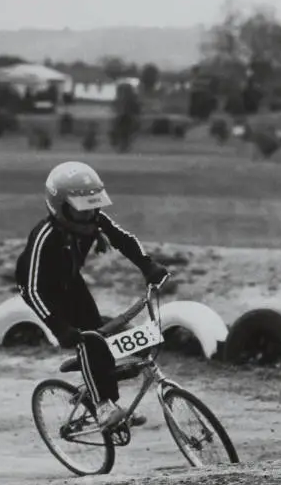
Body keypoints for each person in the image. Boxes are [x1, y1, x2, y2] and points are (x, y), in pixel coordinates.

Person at [15, 161, 168, 429]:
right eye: (81, 210)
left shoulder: (93, 219)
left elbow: (124, 239)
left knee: (98, 334)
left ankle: (108, 397)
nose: (90, 216)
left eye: (93, 207)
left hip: (70, 281)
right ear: (60, 207)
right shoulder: (44, 236)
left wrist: (148, 265)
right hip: (45, 292)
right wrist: (58, 326)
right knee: (86, 340)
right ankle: (102, 407)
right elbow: (30, 289)